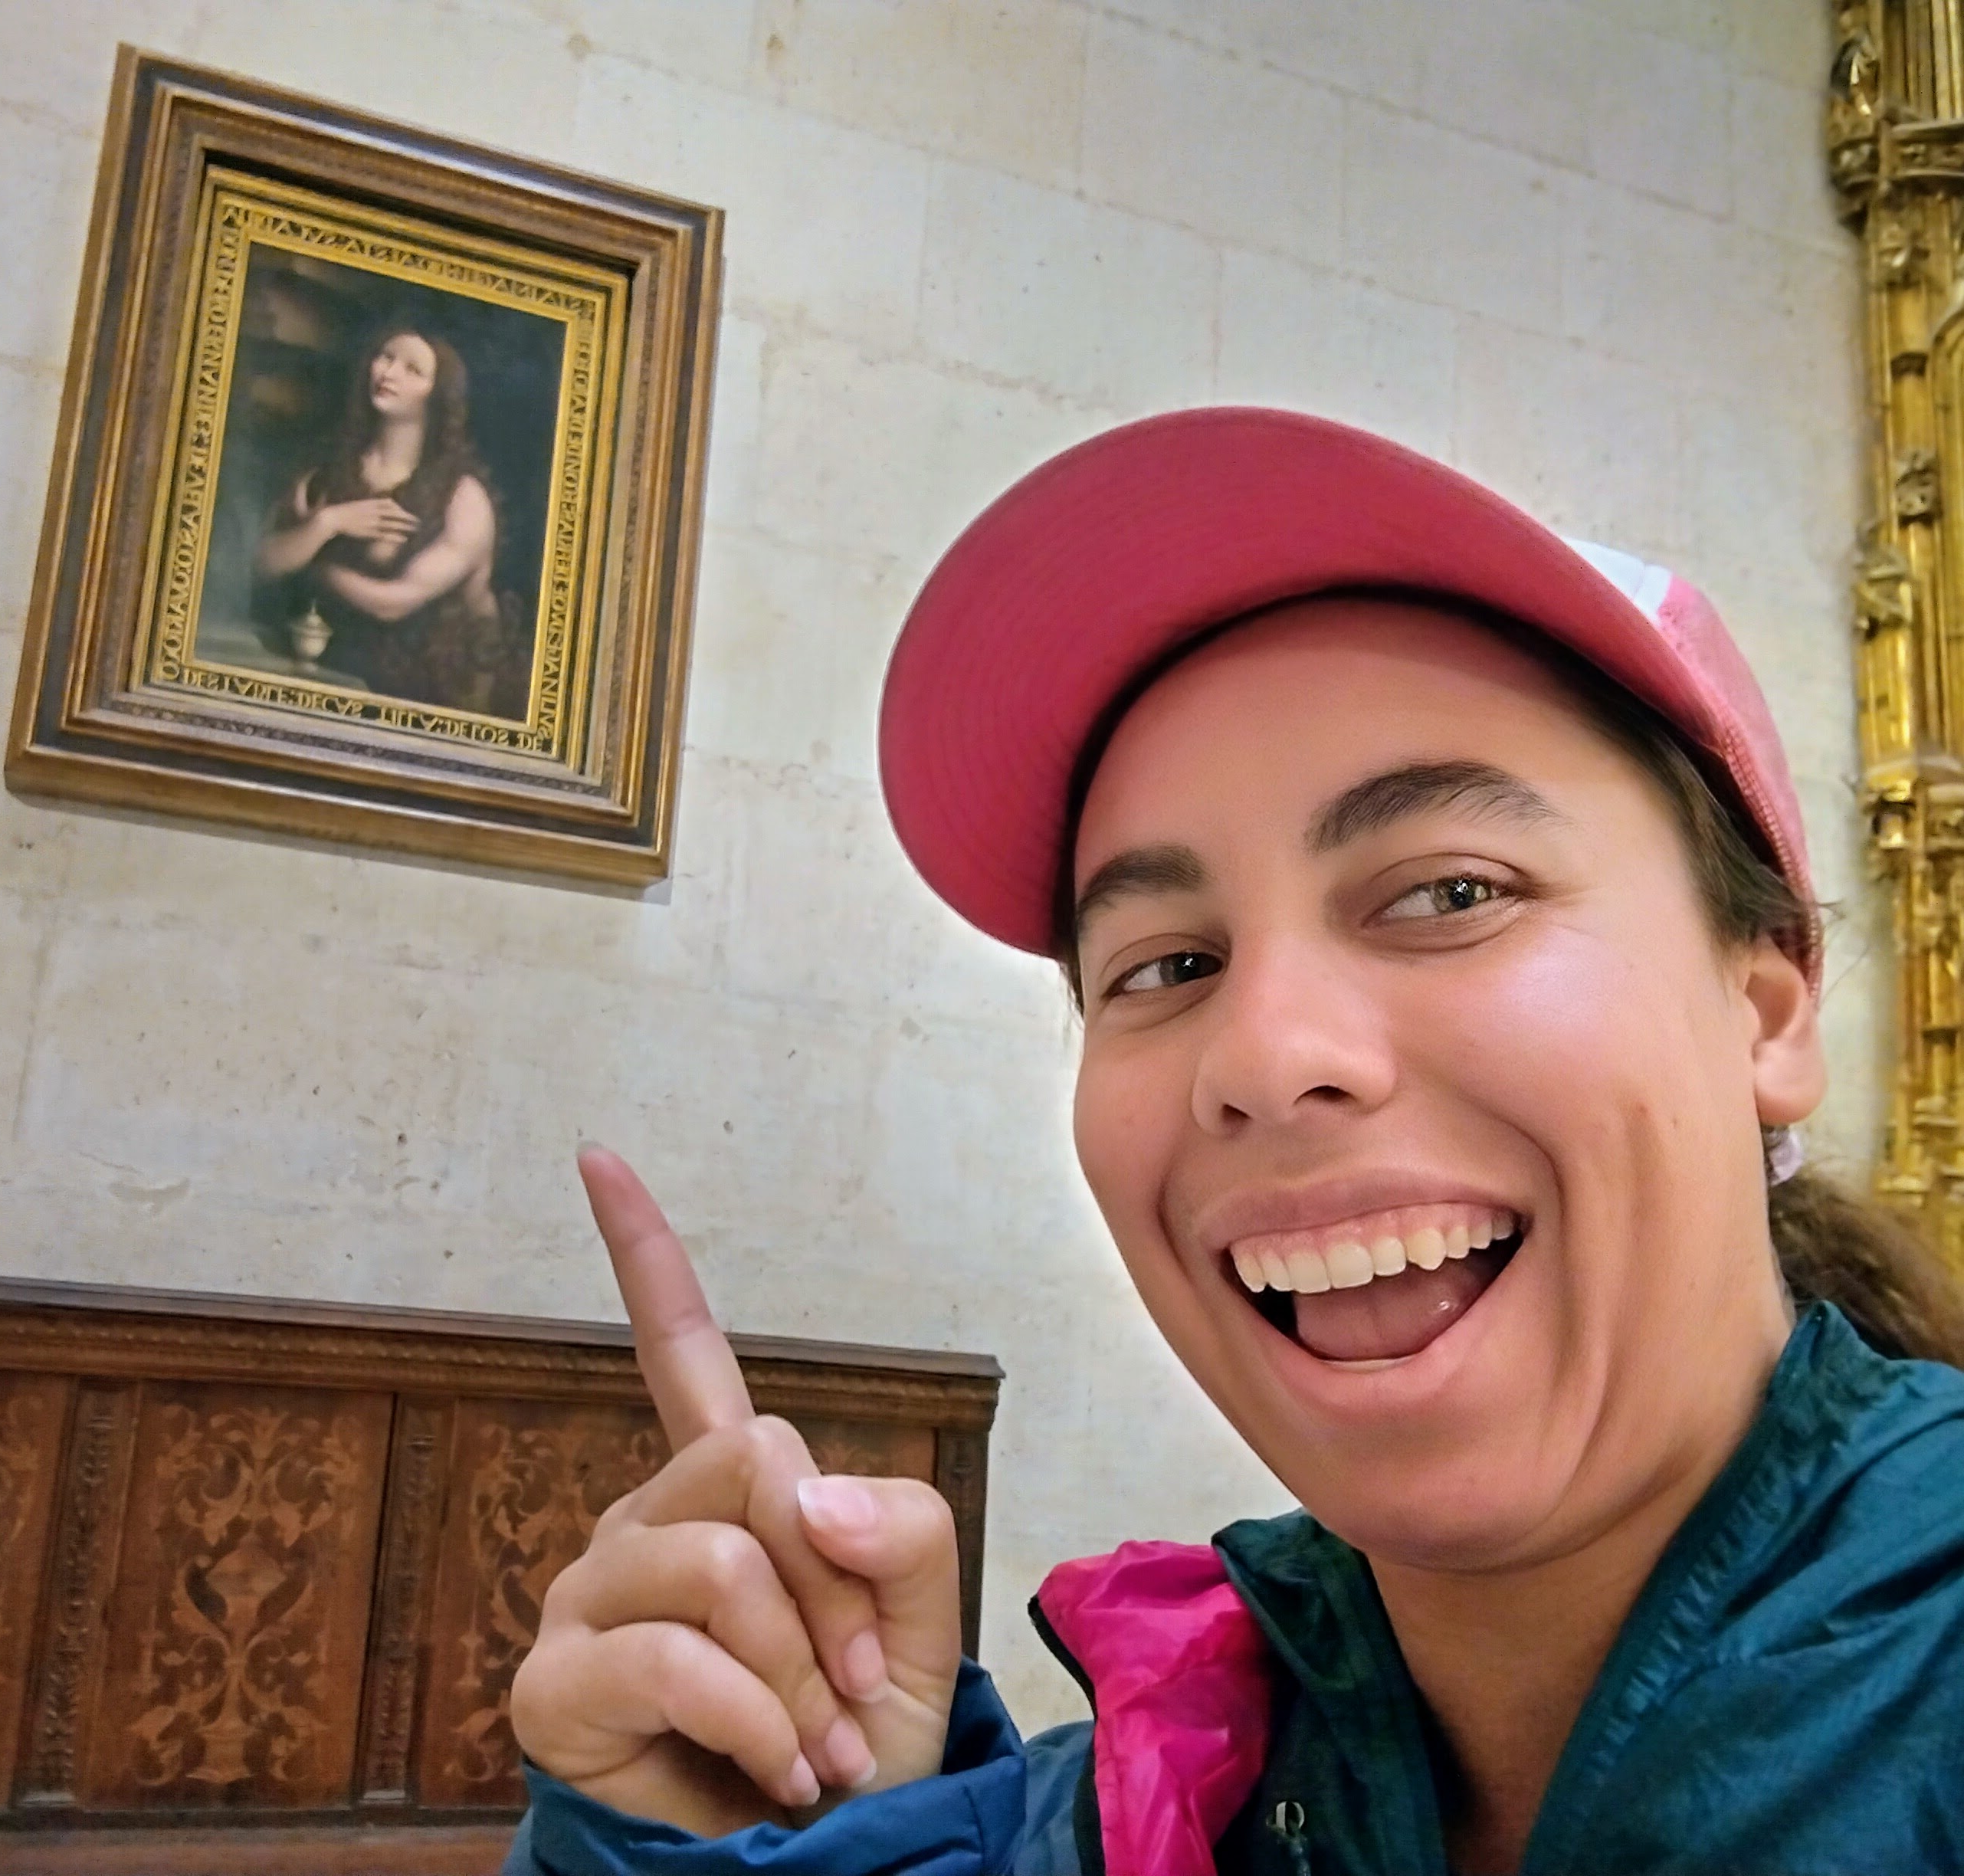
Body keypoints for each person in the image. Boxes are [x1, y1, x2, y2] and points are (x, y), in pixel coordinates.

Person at [501, 410, 1964, 1874]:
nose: (1261, 1058)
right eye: (1163, 965)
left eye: (1448, 891)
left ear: (1765, 1006)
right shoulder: (1147, 1792)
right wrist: (800, 1840)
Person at [252, 324, 516, 713]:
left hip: (429, 695)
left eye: (413, 370)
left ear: (438, 395)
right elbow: (261, 565)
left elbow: (393, 603)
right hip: (329, 677)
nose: (389, 373)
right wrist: (326, 524)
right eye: (386, 357)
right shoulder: (328, 474)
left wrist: (317, 566)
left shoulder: (462, 499)